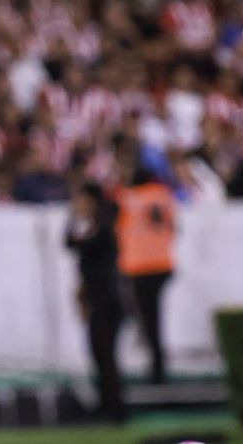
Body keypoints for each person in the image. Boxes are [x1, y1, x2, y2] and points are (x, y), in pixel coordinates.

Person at [65, 183, 126, 422]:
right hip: (97, 300)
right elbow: (70, 244)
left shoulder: (104, 228)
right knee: (100, 353)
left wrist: (74, 219)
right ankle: (107, 403)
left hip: (107, 300)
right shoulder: (95, 227)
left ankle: (115, 407)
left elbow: (77, 245)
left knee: (106, 353)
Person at [115, 169, 177, 384]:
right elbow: (174, 227)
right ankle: (157, 363)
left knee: (146, 318)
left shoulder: (129, 199)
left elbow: (119, 227)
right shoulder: (164, 196)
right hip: (163, 264)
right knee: (153, 316)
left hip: (140, 267)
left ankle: (156, 367)